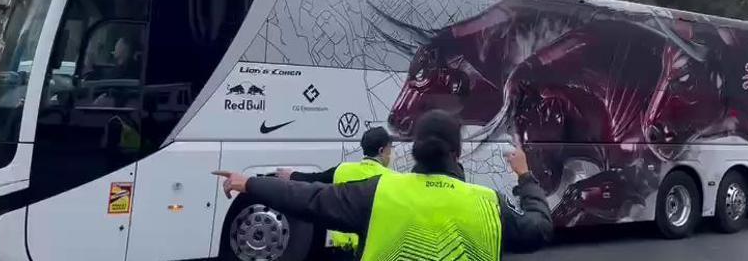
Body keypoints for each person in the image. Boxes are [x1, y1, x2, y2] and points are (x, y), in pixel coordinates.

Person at [214, 109, 553, 259]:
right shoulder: (487, 203)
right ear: (458, 152)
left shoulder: (379, 192)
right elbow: (537, 229)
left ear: (415, 149)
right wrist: (525, 177)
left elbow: (308, 197)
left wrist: (251, 183)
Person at [273, 126, 394, 260]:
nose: (391, 154)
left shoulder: (342, 169)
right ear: (381, 150)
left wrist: (292, 175)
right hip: (365, 251)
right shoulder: (390, 179)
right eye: (390, 150)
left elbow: (313, 180)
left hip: (336, 250)